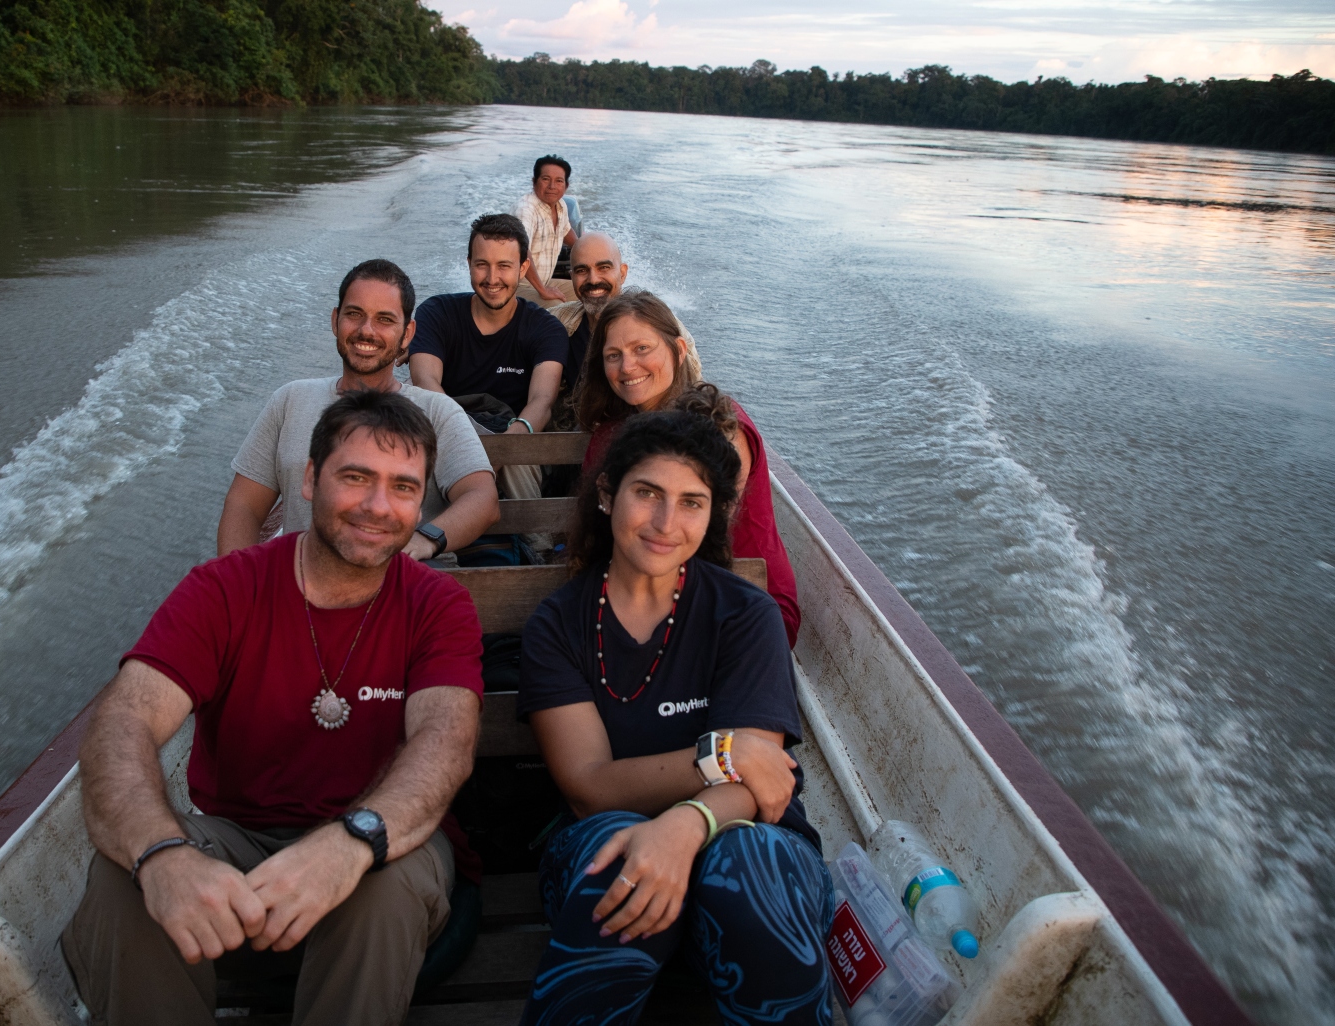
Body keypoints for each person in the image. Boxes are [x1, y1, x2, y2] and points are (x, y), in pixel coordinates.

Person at [63, 391, 485, 1026]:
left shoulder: (437, 606)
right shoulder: (224, 590)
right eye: (355, 477)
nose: (378, 506)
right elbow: (123, 721)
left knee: (384, 890)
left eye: (403, 487)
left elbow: (443, 744)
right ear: (310, 479)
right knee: (124, 879)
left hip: (385, 836)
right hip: (239, 835)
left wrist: (353, 841)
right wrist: (161, 852)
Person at [515, 411, 832, 1024]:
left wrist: (686, 825)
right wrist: (721, 757)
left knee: (746, 867)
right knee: (618, 861)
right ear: (607, 495)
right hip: (604, 845)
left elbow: (761, 785)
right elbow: (588, 789)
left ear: (714, 514)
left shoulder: (744, 614)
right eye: (647, 493)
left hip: (748, 845)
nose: (666, 523)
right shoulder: (560, 625)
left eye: (692, 502)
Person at [218, 259, 499, 563]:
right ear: (335, 320)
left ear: (407, 334)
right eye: (354, 314)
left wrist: (422, 541)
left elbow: (482, 499)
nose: (367, 331)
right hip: (302, 589)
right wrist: (239, 586)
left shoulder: (436, 411)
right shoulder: (290, 400)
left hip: (404, 590)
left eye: (384, 320)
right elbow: (244, 506)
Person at [574, 289, 801, 647]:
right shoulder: (611, 434)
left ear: (679, 350)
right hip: (639, 586)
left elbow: (704, 541)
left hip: (744, 594)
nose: (627, 366)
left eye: (642, 348)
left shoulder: (719, 426)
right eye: (613, 355)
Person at [410, 213, 571, 509]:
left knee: (519, 458)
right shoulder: (436, 313)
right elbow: (425, 382)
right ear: (469, 263)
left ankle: (534, 545)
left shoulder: (545, 329)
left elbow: (541, 401)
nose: (492, 278)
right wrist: (466, 445)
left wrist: (502, 449)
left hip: (511, 432)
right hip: (446, 427)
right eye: (482, 264)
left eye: (504, 266)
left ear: (523, 268)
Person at [548, 231, 703, 405]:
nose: (593, 279)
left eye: (604, 268)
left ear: (622, 273)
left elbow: (694, 388)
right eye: (582, 270)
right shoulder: (557, 322)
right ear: (572, 277)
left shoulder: (665, 327)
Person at [514, 155, 578, 307]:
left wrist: (593, 255)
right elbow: (521, 250)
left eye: (559, 181)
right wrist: (543, 290)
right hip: (516, 287)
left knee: (592, 292)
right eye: (545, 179)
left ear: (566, 185)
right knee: (556, 306)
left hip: (545, 282)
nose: (552, 186)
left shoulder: (560, 205)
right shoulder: (526, 210)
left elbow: (568, 233)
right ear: (534, 182)